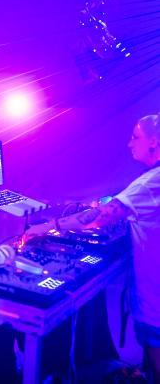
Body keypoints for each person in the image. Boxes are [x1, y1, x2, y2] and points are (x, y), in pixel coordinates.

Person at [28, 113, 160, 380]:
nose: (129, 143)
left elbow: (98, 219)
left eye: (135, 137)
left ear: (154, 142)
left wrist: (48, 227)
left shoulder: (149, 183)